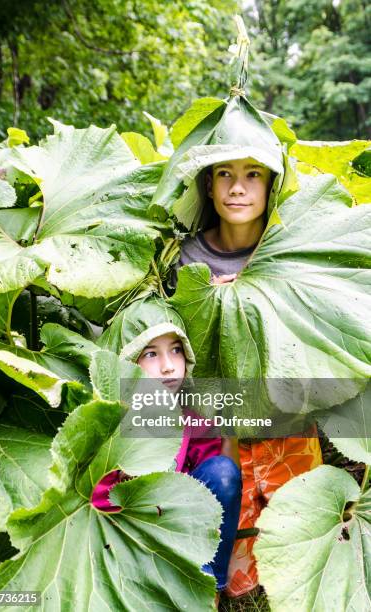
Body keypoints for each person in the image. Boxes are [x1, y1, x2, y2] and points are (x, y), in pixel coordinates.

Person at [170, 153, 323, 598]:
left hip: (286, 417)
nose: (238, 188)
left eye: (252, 175)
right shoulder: (187, 256)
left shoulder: (289, 247)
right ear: (208, 185)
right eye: (225, 175)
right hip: (218, 424)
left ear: (271, 184)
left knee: (301, 545)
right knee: (238, 582)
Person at [91, 297, 242, 595]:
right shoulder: (109, 422)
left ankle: (207, 583)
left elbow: (214, 484)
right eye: (150, 354)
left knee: (224, 472)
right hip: (129, 535)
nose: (168, 366)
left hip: (176, 525)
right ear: (127, 363)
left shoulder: (191, 416)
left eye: (176, 350)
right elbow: (97, 505)